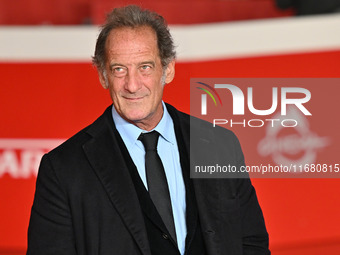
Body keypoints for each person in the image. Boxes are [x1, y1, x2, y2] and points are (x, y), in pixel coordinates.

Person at [27, 5, 270, 255]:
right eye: (119, 69)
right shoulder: (64, 169)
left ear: (168, 70)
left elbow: (251, 243)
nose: (132, 85)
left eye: (145, 67)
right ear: (102, 75)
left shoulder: (219, 145)